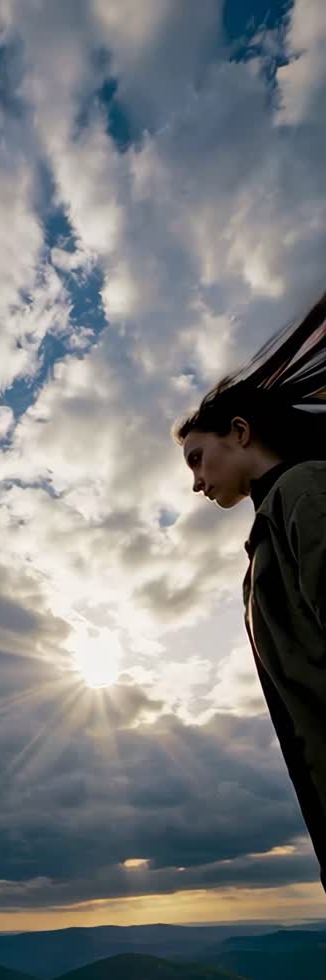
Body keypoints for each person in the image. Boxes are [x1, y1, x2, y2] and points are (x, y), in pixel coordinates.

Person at [172, 288, 326, 894]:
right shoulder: (272, 528)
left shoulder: (306, 492)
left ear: (238, 431)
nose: (195, 482)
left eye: (197, 458)